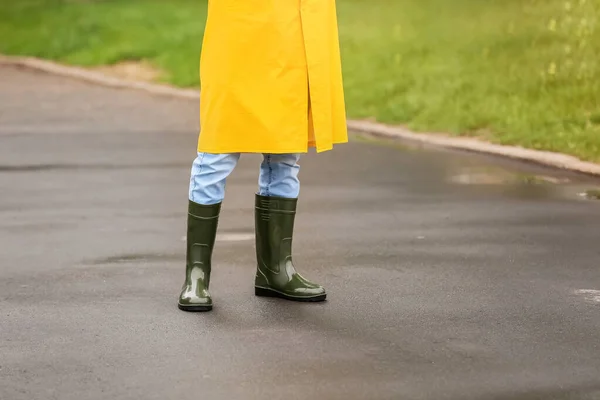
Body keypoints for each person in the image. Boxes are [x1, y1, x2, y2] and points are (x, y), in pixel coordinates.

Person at [178, 0, 348, 312]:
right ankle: (196, 276)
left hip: (291, 39)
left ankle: (275, 272)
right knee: (217, 152)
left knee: (285, 153)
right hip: (238, 37)